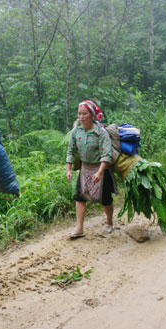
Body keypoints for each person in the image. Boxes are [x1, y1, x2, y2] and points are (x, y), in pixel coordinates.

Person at [65, 100, 115, 238]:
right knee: (79, 197)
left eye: (84, 114)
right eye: (79, 114)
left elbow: (107, 154)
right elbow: (71, 150)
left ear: (92, 115)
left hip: (101, 169)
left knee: (105, 198)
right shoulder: (76, 131)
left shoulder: (101, 132)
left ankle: (109, 223)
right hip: (85, 169)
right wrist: (68, 169)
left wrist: (99, 172)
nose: (81, 117)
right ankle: (79, 228)